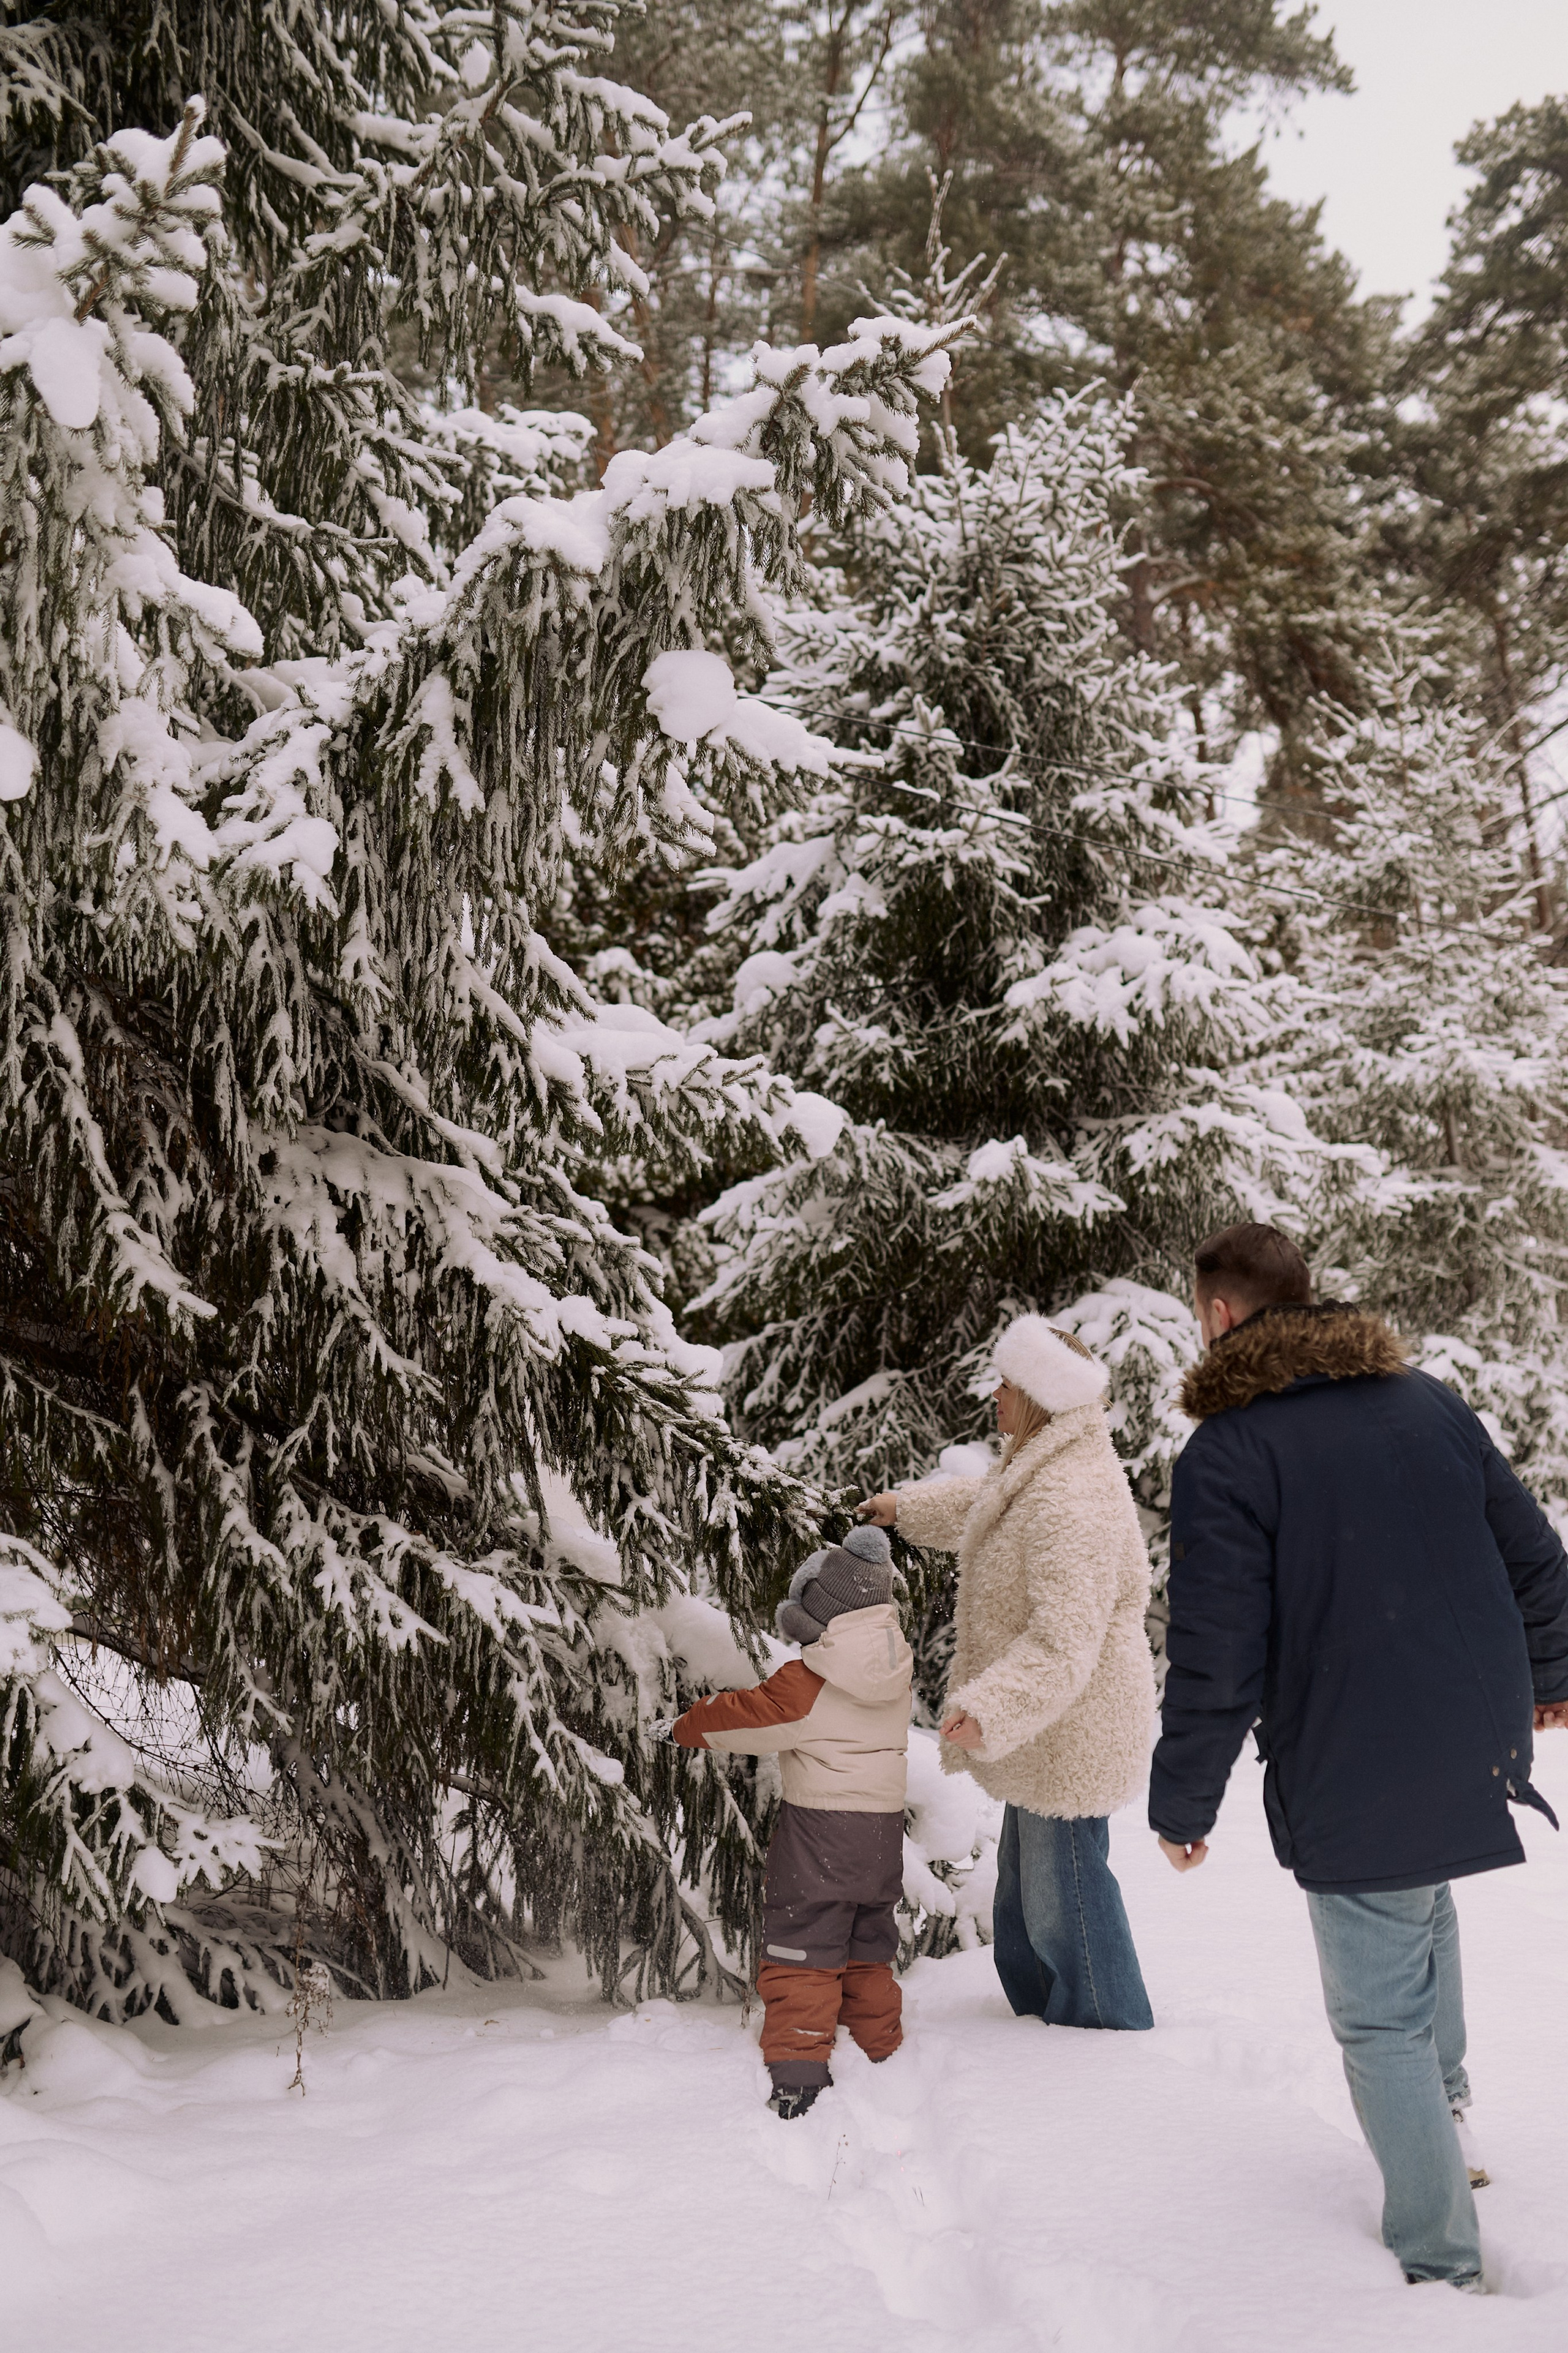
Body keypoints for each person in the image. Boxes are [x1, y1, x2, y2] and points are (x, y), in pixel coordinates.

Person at [1150, 1220, 1568, 2295]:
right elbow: (1537, 1555)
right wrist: (1554, 1677)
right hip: (1469, 1729)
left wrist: (1183, 1799)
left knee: (1378, 2002)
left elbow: (1216, 1654)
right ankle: (1452, 2118)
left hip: (1360, 1751)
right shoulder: (1425, 1400)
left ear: (1220, 1314)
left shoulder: (1230, 1451)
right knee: (1419, 1904)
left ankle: (1439, 2258)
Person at [860, 1314, 1156, 2031]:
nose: (994, 1394)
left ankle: (1101, 2028)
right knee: (1025, 1896)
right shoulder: (1042, 1464)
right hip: (1047, 1724)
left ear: (1040, 1394)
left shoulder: (1070, 1493)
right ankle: (1040, 2018)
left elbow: (1064, 1639)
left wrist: (990, 1707)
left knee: (1067, 1901)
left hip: (1070, 1726)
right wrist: (905, 1509)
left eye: (1007, 1383)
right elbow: (982, 1503)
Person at [667, 1523, 911, 2119]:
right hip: (881, 1836)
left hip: (822, 1835)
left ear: (821, 1612)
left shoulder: (808, 1682)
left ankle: (800, 2070)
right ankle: (882, 2048)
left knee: (805, 1947)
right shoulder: (893, 1667)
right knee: (866, 1947)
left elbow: (746, 1717)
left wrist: (684, 1723)